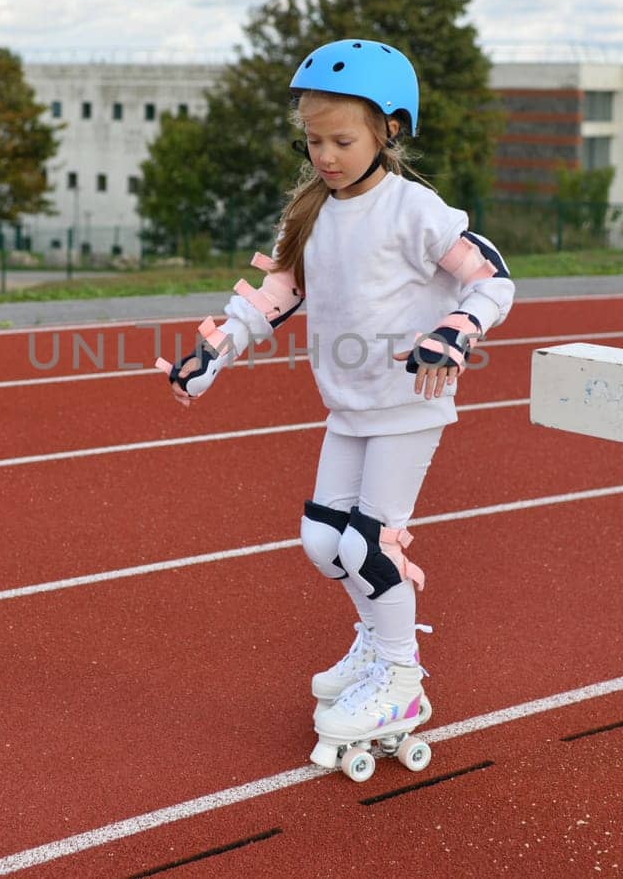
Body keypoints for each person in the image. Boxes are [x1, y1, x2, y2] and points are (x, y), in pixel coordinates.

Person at [158, 38, 514, 771]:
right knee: (324, 542)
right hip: (347, 406)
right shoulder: (315, 212)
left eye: (342, 140)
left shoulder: (414, 210)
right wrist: (213, 353)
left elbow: (494, 279)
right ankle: (379, 648)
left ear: (390, 130)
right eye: (313, 139)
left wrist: (454, 331)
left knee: (369, 545)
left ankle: (402, 682)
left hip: (407, 405)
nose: (325, 155)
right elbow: (277, 293)